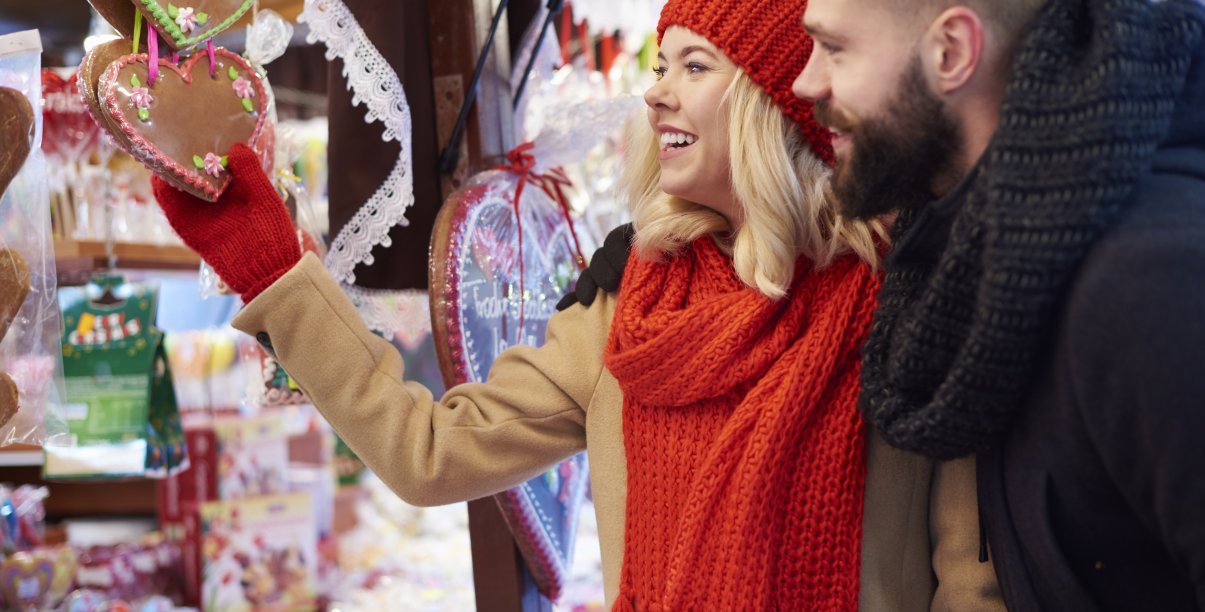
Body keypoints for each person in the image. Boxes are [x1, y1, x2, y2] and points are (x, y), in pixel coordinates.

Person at [151, 0, 1000, 609]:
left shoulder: (903, 305)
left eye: (695, 66)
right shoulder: (630, 308)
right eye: (658, 65)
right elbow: (428, 451)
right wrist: (277, 275)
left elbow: (970, 580)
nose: (657, 93)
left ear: (775, 105)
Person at [793, 0, 1205, 609]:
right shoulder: (986, 260)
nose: (806, 81)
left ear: (952, 52)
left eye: (834, 49)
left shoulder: (1146, 280)